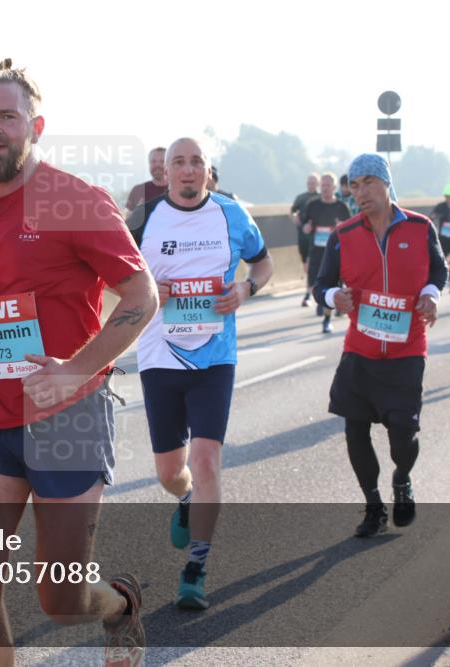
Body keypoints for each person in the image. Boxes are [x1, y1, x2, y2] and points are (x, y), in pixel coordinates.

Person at [0, 59, 158, 667]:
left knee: (60, 598)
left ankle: (120, 606)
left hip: (68, 420)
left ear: (35, 125)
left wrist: (74, 371)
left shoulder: (74, 201)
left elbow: (141, 295)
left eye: (6, 116)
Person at [127, 137, 273, 610]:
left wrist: (247, 289)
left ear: (208, 172)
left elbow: (264, 263)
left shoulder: (233, 215)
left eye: (197, 163)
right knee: (172, 472)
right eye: (178, 163)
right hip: (160, 357)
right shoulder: (143, 220)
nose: (188, 171)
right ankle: (185, 498)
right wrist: (152, 292)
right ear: (164, 173)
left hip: (215, 357)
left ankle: (196, 567)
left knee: (207, 460)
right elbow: (115, 281)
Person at [313, 153, 446, 538]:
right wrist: (333, 296)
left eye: (369, 181)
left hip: (406, 351)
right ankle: (373, 505)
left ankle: (402, 478)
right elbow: (321, 284)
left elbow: (438, 270)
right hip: (360, 351)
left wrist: (432, 293)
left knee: (403, 438)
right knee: (355, 431)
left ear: (386, 183)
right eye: (354, 185)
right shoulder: (344, 234)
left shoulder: (421, 228)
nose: (361, 192)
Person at [301, 173, 351, 333]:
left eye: (328, 185)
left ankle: (327, 319)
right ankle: (323, 303)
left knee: (331, 285)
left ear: (334, 187)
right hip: (316, 251)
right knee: (317, 283)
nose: (325, 188)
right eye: (322, 185)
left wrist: (341, 227)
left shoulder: (342, 207)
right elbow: (304, 226)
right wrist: (306, 228)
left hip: (336, 252)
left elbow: (351, 230)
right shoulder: (312, 205)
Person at [291, 173, 321, 306]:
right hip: (302, 235)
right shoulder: (301, 197)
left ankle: (309, 294)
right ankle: (312, 287)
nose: (311, 183)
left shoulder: (321, 198)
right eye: (309, 181)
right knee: (306, 265)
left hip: (317, 237)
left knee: (312, 263)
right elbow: (292, 211)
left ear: (318, 184)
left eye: (314, 181)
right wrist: (294, 218)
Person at [125, 146, 168, 214]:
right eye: (153, 161)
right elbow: (127, 221)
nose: (157, 165)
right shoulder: (138, 190)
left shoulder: (178, 191)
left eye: (162, 161)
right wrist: (136, 213)